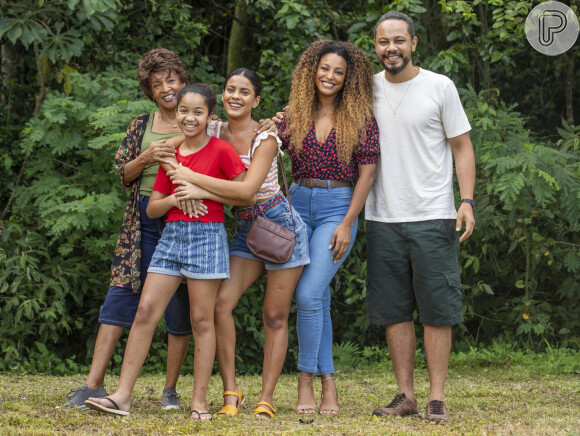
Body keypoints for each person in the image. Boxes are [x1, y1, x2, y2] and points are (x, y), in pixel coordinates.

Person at [84, 83, 247, 419]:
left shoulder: (221, 150)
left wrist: (201, 189)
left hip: (206, 237)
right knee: (145, 312)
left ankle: (199, 403)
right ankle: (122, 397)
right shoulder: (169, 157)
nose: (189, 117)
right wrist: (176, 197)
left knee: (201, 320)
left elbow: (245, 195)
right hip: (170, 237)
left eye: (197, 112)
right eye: (184, 111)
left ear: (209, 116)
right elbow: (153, 209)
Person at [165, 68, 310, 419]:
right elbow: (174, 149)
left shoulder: (267, 138)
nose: (235, 96)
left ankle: (267, 398)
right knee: (220, 306)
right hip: (245, 229)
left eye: (244, 92)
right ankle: (231, 390)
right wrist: (160, 162)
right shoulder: (212, 129)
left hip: (278, 224)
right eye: (230, 89)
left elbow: (246, 192)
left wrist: (193, 182)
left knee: (274, 316)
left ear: (256, 100)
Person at [64, 47, 194, 411]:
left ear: (182, 81)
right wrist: (146, 157)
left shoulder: (201, 117)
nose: (166, 88)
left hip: (184, 219)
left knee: (178, 307)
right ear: (150, 91)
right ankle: (92, 384)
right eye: (157, 84)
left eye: (171, 80)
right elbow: (123, 174)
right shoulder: (141, 124)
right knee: (119, 297)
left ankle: (170, 390)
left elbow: (235, 138)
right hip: (142, 221)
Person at [366, 11, 475, 423]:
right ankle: (405, 395)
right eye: (382, 42)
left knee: (436, 308)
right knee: (394, 310)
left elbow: (462, 147)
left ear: (414, 43)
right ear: (375, 48)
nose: (390, 48)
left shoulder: (439, 87)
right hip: (382, 217)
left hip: (433, 215)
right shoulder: (366, 90)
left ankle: (436, 397)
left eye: (398, 40)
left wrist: (466, 201)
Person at [276, 40, 379, 415]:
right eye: (324, 68)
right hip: (297, 206)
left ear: (348, 77)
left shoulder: (361, 116)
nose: (330, 76)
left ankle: (309, 380)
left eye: (338, 71)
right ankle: (328, 385)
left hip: (338, 206)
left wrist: (348, 223)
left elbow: (368, 173)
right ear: (311, 71)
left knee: (306, 295)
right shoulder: (294, 114)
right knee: (316, 299)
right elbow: (265, 146)